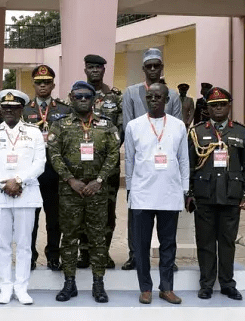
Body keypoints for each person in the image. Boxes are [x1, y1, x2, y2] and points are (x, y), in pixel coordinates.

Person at [48, 81, 120, 304]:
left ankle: (98, 283)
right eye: (78, 96)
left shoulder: (106, 125)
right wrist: (71, 180)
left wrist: (99, 180)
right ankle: (69, 282)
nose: (82, 100)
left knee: (97, 238)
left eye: (86, 97)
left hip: (97, 191)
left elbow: (113, 154)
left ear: (93, 100)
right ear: (71, 98)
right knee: (69, 237)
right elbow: (54, 154)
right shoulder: (60, 125)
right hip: (70, 191)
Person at [188, 87, 245, 300]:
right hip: (204, 195)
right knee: (205, 242)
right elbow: (189, 166)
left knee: (227, 242)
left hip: (231, 195)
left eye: (222, 105)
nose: (218, 108)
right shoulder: (197, 132)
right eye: (213, 105)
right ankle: (206, 284)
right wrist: (188, 194)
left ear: (229, 106)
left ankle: (227, 283)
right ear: (207, 109)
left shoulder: (242, 132)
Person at [124, 82, 189, 305]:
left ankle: (167, 288)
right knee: (141, 245)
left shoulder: (178, 126)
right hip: (142, 193)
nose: (153, 100)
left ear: (167, 100)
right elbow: (129, 160)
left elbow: (183, 160)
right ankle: (145, 288)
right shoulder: (134, 126)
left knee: (168, 244)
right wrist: (130, 189)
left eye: (158, 97)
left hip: (170, 192)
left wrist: (185, 188)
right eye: (149, 97)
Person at [0, 89, 45, 305]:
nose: (9, 111)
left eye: (14, 107)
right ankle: (5, 287)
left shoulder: (34, 132)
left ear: (21, 109)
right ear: (0, 109)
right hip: (0, 194)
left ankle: (22, 287)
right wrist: (4, 183)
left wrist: (18, 180)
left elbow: (39, 163)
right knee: (2, 244)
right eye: (5, 107)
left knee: (25, 244)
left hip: (26, 193)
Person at [120, 47, 182, 271]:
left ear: (162, 67)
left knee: (167, 213)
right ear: (143, 68)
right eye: (149, 66)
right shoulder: (130, 93)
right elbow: (127, 127)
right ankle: (135, 255)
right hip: (141, 162)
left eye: (157, 65)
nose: (153, 69)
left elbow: (177, 131)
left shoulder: (173, 95)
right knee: (137, 213)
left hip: (165, 162)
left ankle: (169, 259)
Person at [22, 64, 70, 272]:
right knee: (30, 219)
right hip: (32, 173)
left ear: (53, 85)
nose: (43, 86)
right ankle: (30, 256)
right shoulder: (25, 110)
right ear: (33, 84)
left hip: (55, 171)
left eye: (47, 82)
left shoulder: (64, 109)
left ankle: (53, 255)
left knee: (55, 219)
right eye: (39, 82)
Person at [79, 54, 122, 270]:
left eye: (98, 67)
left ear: (104, 70)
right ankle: (85, 253)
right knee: (82, 210)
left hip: (108, 166)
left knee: (106, 211)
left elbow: (121, 130)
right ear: (85, 70)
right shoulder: (77, 95)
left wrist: (107, 153)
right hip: (81, 165)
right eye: (91, 67)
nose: (94, 70)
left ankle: (103, 252)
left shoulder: (115, 98)